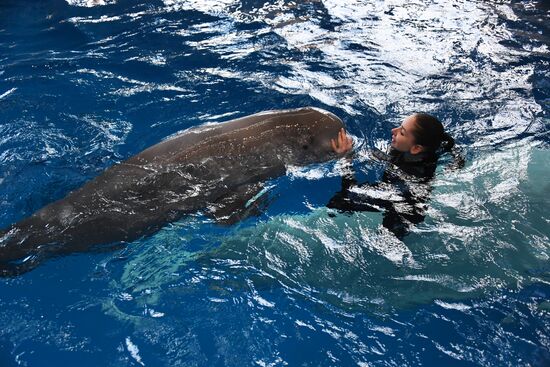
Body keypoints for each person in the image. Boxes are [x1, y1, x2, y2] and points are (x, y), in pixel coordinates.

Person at [327, 113, 460, 238]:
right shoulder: (423, 149)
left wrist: (345, 159)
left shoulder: (411, 174)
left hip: (404, 210)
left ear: (416, 148)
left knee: (338, 201)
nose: (393, 130)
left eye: (401, 132)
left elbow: (350, 190)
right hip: (398, 192)